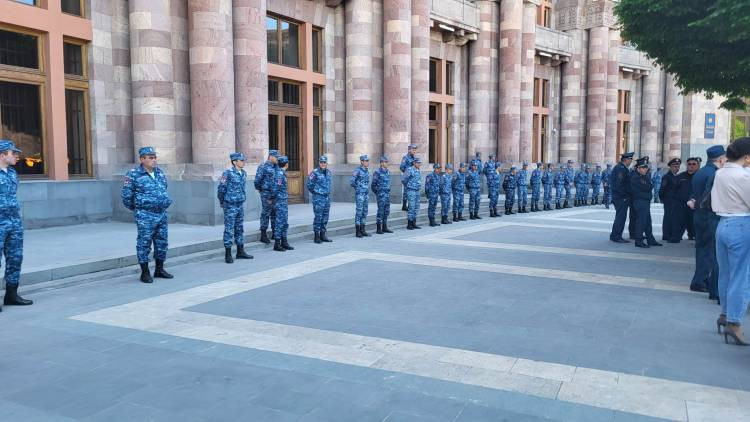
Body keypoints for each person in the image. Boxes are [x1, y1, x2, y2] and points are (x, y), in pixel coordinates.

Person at [712, 137, 750, 345]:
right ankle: (734, 322)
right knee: (741, 277)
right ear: (746, 156)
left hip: (723, 224)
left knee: (725, 274)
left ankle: (725, 314)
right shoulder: (744, 176)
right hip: (741, 224)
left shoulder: (721, 173)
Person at [121, 146, 174, 283]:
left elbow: (164, 189)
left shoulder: (159, 173)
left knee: (162, 242)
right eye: (150, 158)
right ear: (142, 159)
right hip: (145, 215)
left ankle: (159, 269)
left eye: (155, 157)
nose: (154, 160)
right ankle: (145, 272)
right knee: (144, 243)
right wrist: (139, 209)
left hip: (161, 213)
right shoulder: (133, 174)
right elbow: (127, 196)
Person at [687, 145, 726, 298]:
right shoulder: (716, 174)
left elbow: (695, 193)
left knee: (702, 249)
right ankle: (702, 281)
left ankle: (699, 280)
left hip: (699, 215)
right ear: (721, 159)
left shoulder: (701, 171)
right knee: (710, 252)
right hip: (710, 216)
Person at [0, 140, 33, 308]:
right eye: (13, 153)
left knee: (15, 258)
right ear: (2, 155)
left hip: (14, 222)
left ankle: (11, 295)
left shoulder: (12, 173)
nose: (17, 156)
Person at [217, 152, 253, 263]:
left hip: (239, 204)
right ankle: (228, 254)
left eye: (243, 160)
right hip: (230, 204)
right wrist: (223, 202)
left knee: (239, 228)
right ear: (234, 162)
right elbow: (221, 189)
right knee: (229, 229)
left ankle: (240, 251)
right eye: (241, 160)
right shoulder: (227, 173)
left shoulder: (243, 173)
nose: (243, 162)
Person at [630, 158, 662, 248]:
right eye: (643, 168)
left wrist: (647, 188)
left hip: (645, 202)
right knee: (641, 222)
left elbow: (649, 186)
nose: (645, 169)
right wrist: (647, 188)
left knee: (648, 222)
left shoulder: (644, 177)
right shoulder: (636, 178)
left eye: (646, 168)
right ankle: (638, 241)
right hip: (640, 202)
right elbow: (647, 188)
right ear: (638, 168)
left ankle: (650, 240)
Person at [307, 155, 333, 243]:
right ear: (319, 163)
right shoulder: (314, 173)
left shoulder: (328, 172)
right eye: (321, 162)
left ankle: (323, 235)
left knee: (325, 217)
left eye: (324, 162)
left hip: (326, 198)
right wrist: (316, 193)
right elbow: (309, 185)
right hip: (318, 198)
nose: (323, 164)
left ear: (327, 163)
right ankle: (316, 236)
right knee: (318, 217)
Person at [609, 152, 635, 243]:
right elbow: (619, 185)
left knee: (620, 217)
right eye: (630, 159)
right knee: (621, 217)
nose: (631, 161)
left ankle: (615, 235)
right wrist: (624, 196)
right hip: (621, 197)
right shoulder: (621, 169)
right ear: (626, 159)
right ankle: (616, 236)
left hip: (620, 197)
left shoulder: (623, 168)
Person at [254, 150, 278, 244]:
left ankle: (274, 232)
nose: (277, 159)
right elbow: (257, 181)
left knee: (274, 213)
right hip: (266, 194)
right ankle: (263, 234)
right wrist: (262, 189)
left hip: (275, 194)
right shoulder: (263, 167)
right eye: (276, 157)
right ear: (271, 157)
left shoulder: (277, 167)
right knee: (266, 213)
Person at [659, 158, 683, 243]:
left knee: (674, 218)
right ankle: (666, 235)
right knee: (668, 218)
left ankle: (672, 234)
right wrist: (662, 199)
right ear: (670, 167)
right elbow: (662, 189)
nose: (677, 168)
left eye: (678, 166)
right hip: (669, 201)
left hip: (675, 201)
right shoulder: (667, 177)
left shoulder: (677, 176)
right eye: (675, 166)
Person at [272, 156, 293, 251]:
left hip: (283, 201)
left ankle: (284, 241)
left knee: (284, 222)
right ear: (286, 164)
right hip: (280, 201)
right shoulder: (280, 174)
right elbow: (276, 188)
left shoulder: (281, 173)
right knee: (280, 222)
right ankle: (277, 243)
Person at [370, 155, 392, 235]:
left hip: (387, 194)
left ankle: (385, 227)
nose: (386, 163)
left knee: (387, 211)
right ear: (381, 163)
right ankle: (379, 228)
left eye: (387, 162)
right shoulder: (377, 172)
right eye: (385, 162)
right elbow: (373, 185)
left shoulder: (388, 171)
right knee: (380, 211)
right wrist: (378, 193)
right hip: (381, 195)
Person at [351, 154, 371, 237]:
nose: (367, 162)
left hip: (366, 194)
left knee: (365, 211)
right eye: (366, 161)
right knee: (359, 212)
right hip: (360, 194)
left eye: (368, 161)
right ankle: (358, 231)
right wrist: (359, 188)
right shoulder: (357, 170)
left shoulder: (367, 170)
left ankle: (363, 229)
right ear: (361, 162)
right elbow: (352, 181)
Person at [683, 158, 701, 239]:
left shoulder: (701, 176)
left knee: (696, 222)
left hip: (697, 204)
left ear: (698, 165)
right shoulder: (681, 176)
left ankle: (696, 236)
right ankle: (690, 235)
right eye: (689, 164)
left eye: (694, 164)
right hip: (683, 204)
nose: (691, 166)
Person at [402, 157, 422, 229]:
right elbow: (404, 179)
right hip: (411, 191)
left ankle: (414, 222)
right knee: (411, 207)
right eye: (418, 163)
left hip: (417, 191)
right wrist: (408, 186)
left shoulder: (418, 170)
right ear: (414, 163)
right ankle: (409, 224)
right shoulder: (409, 170)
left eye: (420, 163)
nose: (419, 164)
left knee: (416, 207)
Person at [399, 144, 417, 211]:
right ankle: (404, 205)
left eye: (415, 150)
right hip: (407, 178)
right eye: (413, 149)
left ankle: (410, 205)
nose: (414, 151)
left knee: (411, 191)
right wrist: (407, 173)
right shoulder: (405, 157)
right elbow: (401, 167)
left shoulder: (414, 158)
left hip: (413, 178)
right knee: (406, 191)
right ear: (409, 150)